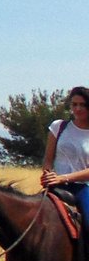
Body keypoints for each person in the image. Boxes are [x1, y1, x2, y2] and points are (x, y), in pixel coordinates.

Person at [40, 86, 89, 221]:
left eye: (83, 105)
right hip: (56, 184)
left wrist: (64, 178)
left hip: (83, 187)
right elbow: (48, 159)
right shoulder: (59, 127)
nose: (78, 109)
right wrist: (48, 174)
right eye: (74, 104)